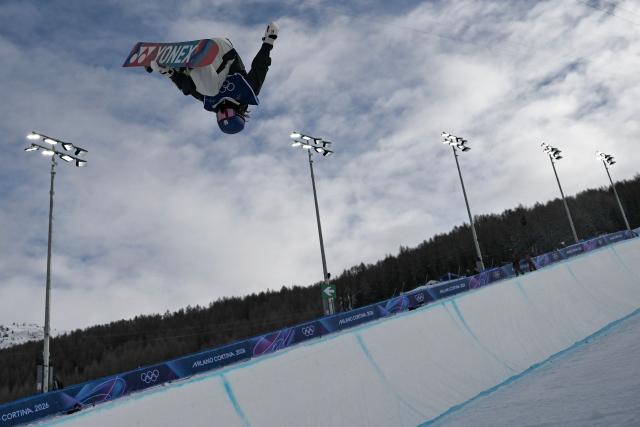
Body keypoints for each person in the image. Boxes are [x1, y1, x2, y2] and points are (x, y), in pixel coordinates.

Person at [148, 22, 279, 134]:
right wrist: (269, 41)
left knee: (198, 89)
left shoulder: (211, 102)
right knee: (210, 90)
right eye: (227, 113)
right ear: (239, 112)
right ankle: (192, 63)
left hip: (206, 59)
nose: (222, 112)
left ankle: (167, 65)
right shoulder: (247, 92)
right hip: (223, 51)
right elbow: (260, 66)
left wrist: (168, 73)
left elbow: (187, 87)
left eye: (220, 116)